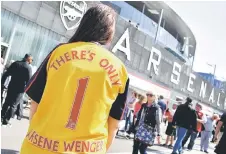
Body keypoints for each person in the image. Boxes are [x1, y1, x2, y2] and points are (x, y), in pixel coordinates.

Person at [20, 4, 129, 154]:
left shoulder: (59, 52)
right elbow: (113, 125)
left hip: (39, 147)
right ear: (109, 32)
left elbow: (35, 103)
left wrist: (38, 135)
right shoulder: (119, 69)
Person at [1, 54, 33, 126]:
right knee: (13, 105)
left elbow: (6, 74)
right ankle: (6, 120)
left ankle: (1, 116)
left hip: (11, 85)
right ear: (28, 59)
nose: (31, 61)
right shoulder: (28, 67)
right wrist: (29, 91)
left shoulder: (15, 63)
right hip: (20, 89)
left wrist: (2, 83)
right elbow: (29, 80)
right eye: (31, 60)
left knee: (7, 102)